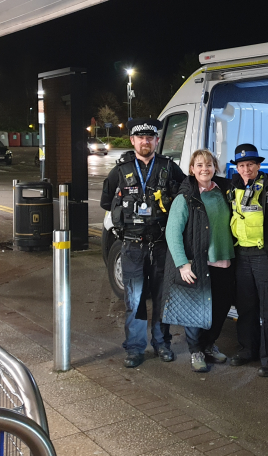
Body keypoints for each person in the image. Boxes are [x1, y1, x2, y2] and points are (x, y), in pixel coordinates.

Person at [100, 118, 186, 368]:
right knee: (134, 300)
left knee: (162, 298)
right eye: (141, 137)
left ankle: (162, 343)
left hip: (161, 245)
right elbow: (107, 202)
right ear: (132, 140)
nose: (145, 141)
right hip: (132, 246)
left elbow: (185, 197)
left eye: (150, 137)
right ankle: (136, 348)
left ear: (157, 140)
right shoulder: (120, 170)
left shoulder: (169, 168)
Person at [162, 149, 234, 373]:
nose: (205, 169)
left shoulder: (223, 191)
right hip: (198, 263)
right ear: (192, 169)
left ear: (215, 168)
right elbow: (172, 233)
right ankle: (196, 350)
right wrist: (183, 264)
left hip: (224, 261)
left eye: (209, 164)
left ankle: (209, 344)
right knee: (195, 310)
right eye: (200, 165)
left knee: (220, 308)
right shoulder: (185, 197)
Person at [227, 143, 268, 377]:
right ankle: (247, 350)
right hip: (242, 254)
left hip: (266, 255)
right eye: (241, 165)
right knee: (246, 307)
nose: (246, 169)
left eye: (250, 164)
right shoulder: (232, 187)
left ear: (258, 165)